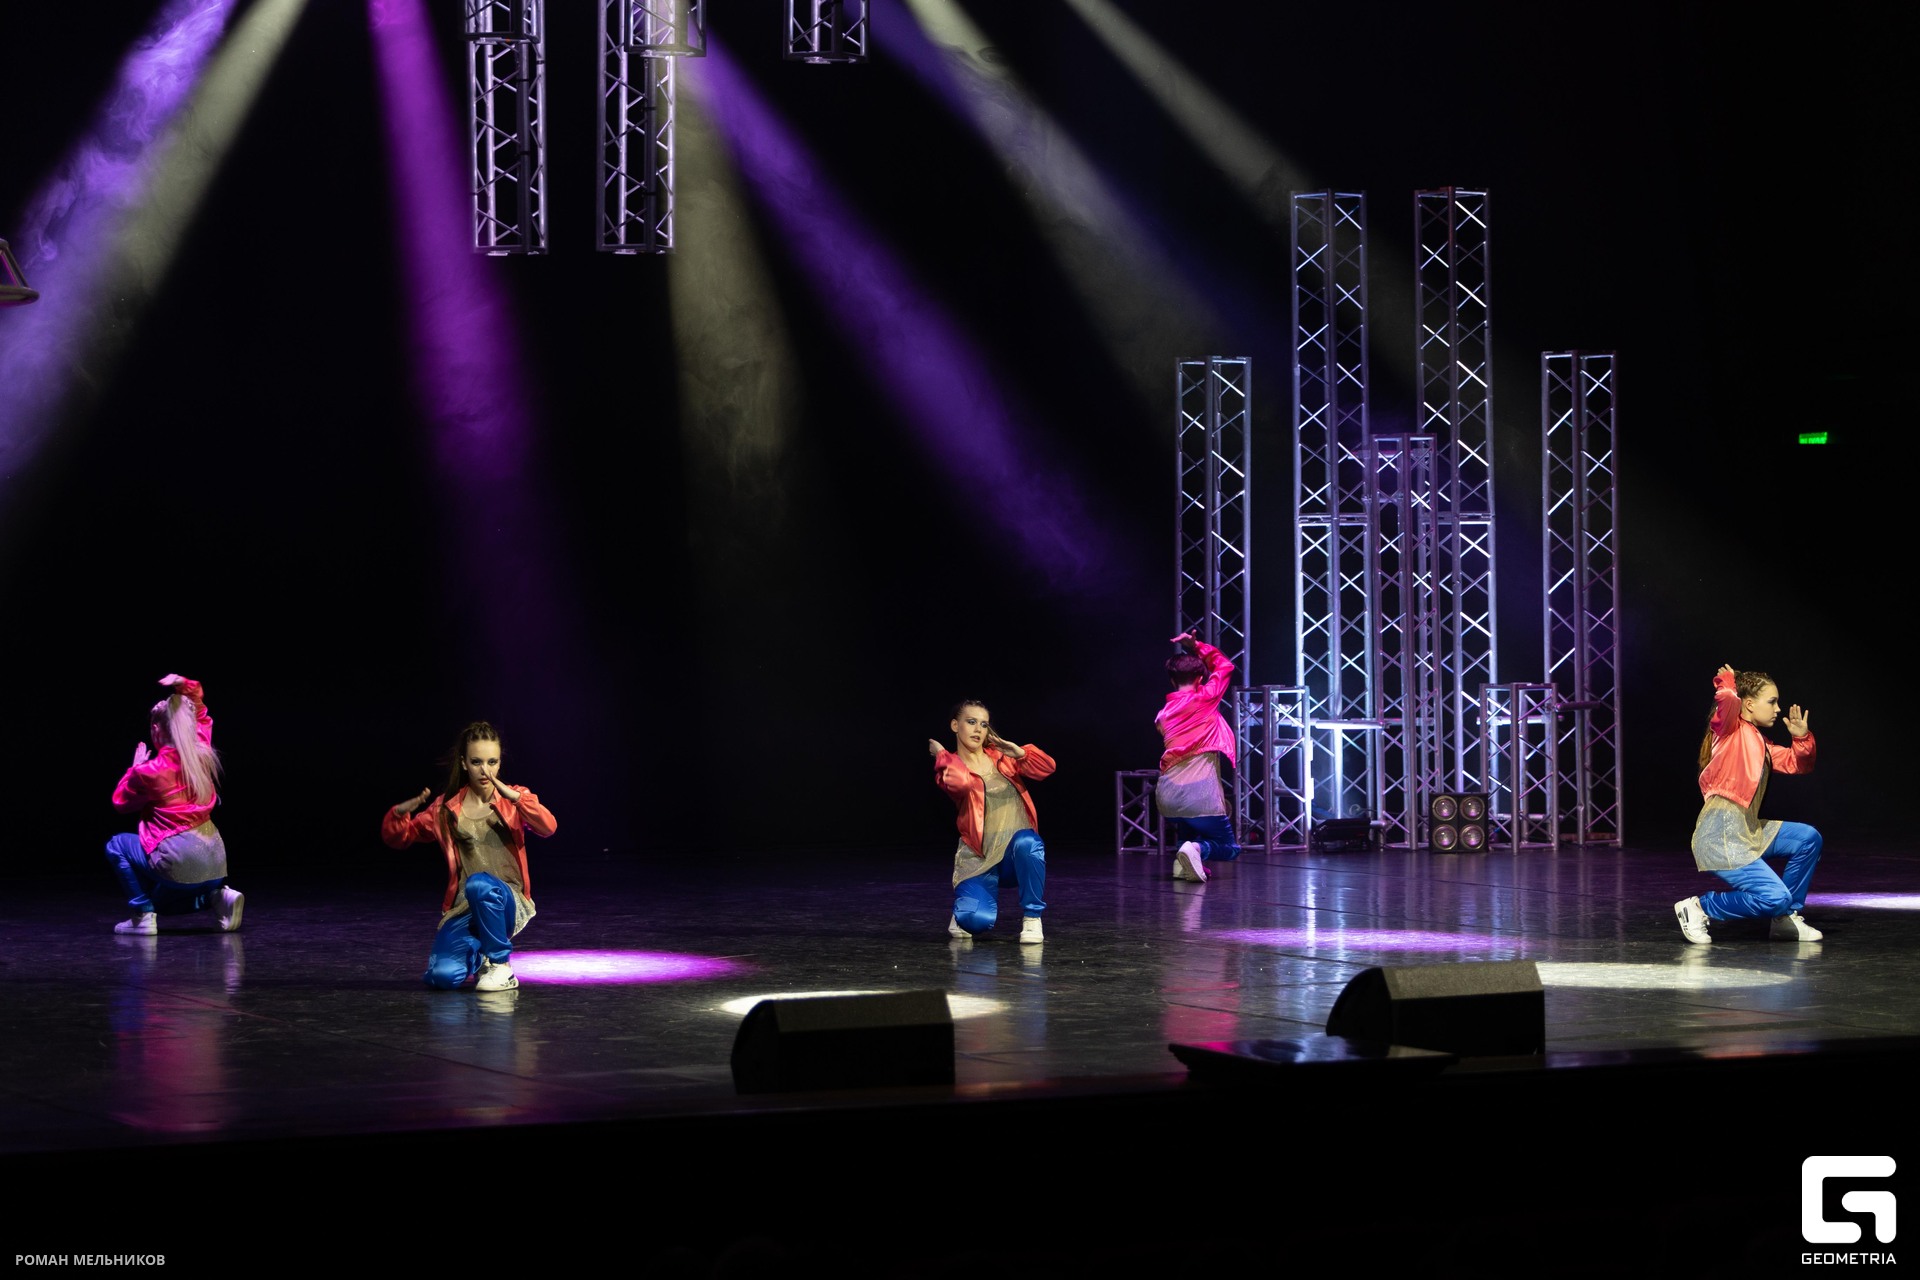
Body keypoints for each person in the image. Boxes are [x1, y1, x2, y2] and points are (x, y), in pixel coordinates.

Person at [382, 721, 557, 991]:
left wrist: (516, 799)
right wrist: (398, 814)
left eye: (492, 762)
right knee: (442, 977)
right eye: (477, 762)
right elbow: (402, 836)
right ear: (464, 763)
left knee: (480, 884)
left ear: (499, 763)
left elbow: (548, 827)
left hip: (506, 900)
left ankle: (501, 966)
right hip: (465, 906)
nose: (485, 771)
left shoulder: (515, 799)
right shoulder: (444, 809)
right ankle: (480, 954)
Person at [1674, 664, 1822, 944]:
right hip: (1721, 834)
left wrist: (1801, 737)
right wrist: (1728, 684)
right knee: (1775, 897)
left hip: (1746, 829)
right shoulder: (1730, 730)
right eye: (1772, 702)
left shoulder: (1760, 743)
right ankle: (1699, 908)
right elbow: (1727, 704)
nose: (1778, 709)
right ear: (1749, 704)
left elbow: (1797, 763)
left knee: (1807, 838)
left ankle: (1784, 919)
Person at [105, 674, 243, 935]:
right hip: (216, 862)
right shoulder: (201, 751)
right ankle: (217, 897)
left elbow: (120, 802)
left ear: (156, 729)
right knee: (161, 904)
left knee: (116, 844)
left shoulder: (150, 771)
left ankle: (142, 916)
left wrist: (133, 768)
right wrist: (182, 683)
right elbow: (200, 711)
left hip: (180, 863)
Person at [930, 700, 1055, 944]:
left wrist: (1020, 753)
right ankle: (963, 911)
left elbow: (1047, 768)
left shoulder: (1001, 758)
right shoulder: (949, 767)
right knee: (974, 921)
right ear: (955, 725)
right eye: (971, 722)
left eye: (984, 724)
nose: (978, 729)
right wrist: (943, 755)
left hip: (1012, 857)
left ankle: (1032, 917)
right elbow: (960, 784)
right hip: (979, 858)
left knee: (1029, 842)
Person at [1155, 632, 1238, 884]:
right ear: (1200, 678)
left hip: (1167, 795)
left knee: (1189, 825)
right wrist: (1196, 646)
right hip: (1200, 794)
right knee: (1229, 847)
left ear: (1172, 680)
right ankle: (1197, 851)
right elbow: (1225, 666)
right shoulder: (1205, 698)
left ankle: (1181, 864)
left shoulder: (1162, 715)